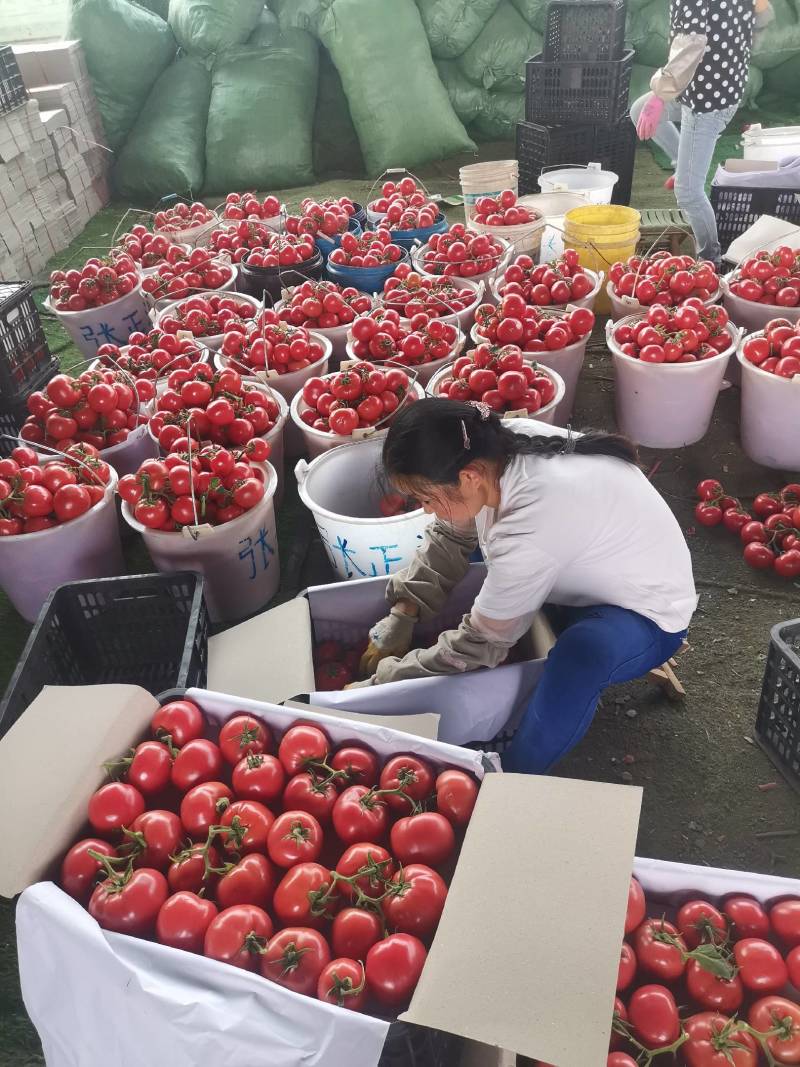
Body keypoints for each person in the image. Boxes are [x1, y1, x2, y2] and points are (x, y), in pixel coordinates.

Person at [347, 398, 697, 775]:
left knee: (579, 658)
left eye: (428, 498)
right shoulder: (489, 447)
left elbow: (478, 645)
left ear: (468, 477)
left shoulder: (532, 519)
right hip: (584, 575)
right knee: (486, 566)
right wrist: (405, 609)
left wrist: (386, 682)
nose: (427, 509)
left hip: (646, 615)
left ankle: (513, 777)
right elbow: (451, 535)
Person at [630, 0, 774, 265]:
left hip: (706, 102)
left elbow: (690, 48)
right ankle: (681, 162)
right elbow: (765, 19)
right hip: (705, 86)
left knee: (688, 192)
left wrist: (660, 96)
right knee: (640, 109)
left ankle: (711, 260)